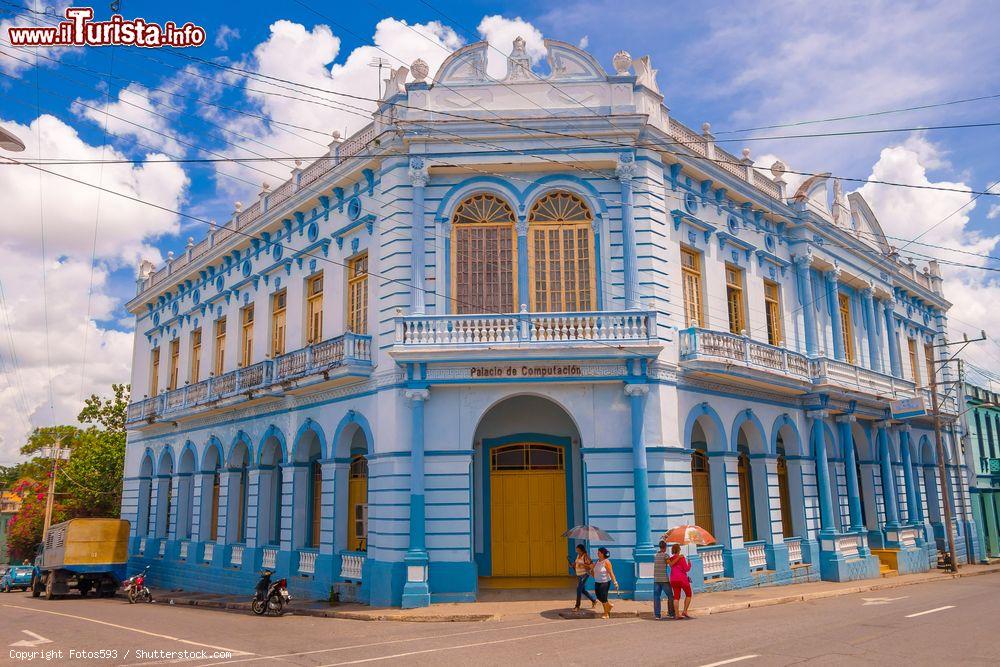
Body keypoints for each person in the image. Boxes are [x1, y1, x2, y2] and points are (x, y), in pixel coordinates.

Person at [592, 547, 620, 619]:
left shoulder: (606, 562)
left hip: (605, 582)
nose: (597, 553)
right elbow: (594, 571)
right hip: (597, 581)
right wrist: (590, 571)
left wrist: (615, 582)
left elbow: (611, 573)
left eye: (599, 552)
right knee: (598, 597)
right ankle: (609, 605)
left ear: (602, 554)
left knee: (604, 598)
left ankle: (606, 614)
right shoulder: (597, 561)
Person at [652, 540, 676, 620]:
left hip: (656, 579)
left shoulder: (655, 555)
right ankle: (671, 613)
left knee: (656, 597)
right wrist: (678, 558)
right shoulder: (665, 556)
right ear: (665, 548)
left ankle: (657, 615)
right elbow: (671, 564)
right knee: (670, 596)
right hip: (664, 580)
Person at [568, 544, 597, 611]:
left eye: (577, 549)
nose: (576, 550)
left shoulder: (585, 556)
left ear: (581, 549)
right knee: (582, 590)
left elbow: (590, 565)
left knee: (578, 589)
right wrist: (572, 565)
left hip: (584, 575)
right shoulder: (578, 555)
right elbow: (576, 563)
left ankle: (577, 606)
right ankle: (594, 600)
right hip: (579, 575)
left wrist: (582, 565)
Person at [668, 544, 693, 619]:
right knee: (688, 594)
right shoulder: (682, 558)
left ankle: (676, 614)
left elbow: (671, 565)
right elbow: (686, 569)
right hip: (682, 579)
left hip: (673, 579)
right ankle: (685, 611)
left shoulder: (671, 558)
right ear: (679, 550)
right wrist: (689, 564)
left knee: (676, 597)